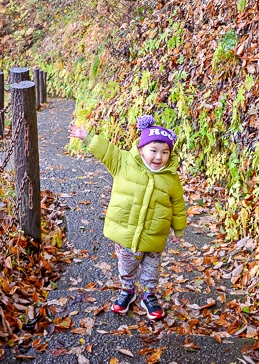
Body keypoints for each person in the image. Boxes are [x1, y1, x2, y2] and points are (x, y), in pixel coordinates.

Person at [69, 114, 187, 320]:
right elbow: (107, 151)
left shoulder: (171, 178)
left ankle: (149, 295)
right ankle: (128, 290)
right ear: (141, 149)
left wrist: (179, 228)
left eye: (165, 152)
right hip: (126, 233)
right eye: (154, 151)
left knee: (151, 271)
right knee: (126, 266)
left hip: (154, 236)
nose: (159, 157)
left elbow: (177, 204)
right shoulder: (124, 163)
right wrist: (87, 138)